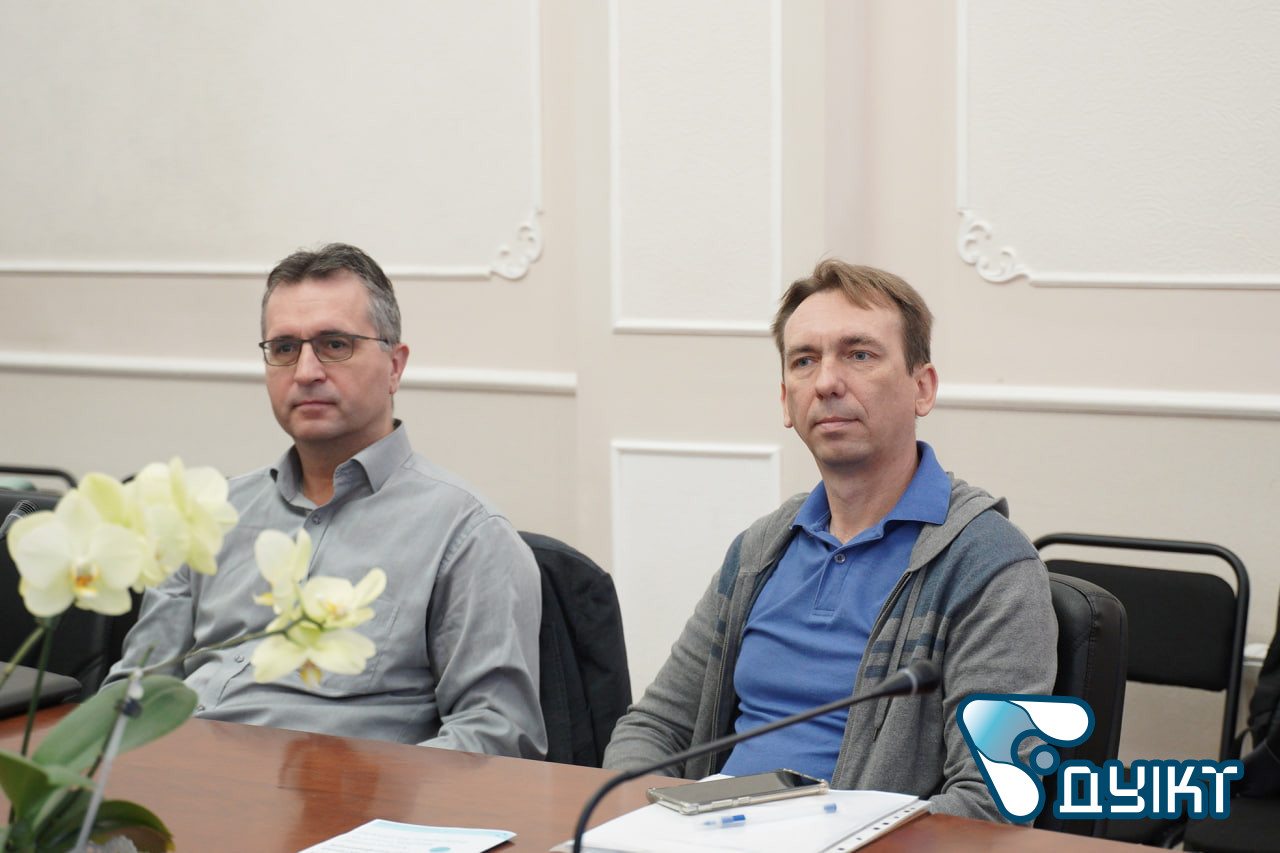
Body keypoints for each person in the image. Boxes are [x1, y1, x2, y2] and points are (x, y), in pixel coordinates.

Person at [603, 260, 1056, 821]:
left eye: (859, 355)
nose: (826, 383)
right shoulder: (761, 551)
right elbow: (655, 726)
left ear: (922, 388)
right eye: (804, 361)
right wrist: (642, 824)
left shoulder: (988, 565)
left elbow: (990, 802)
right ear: (786, 400)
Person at [106, 243, 546, 759]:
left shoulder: (467, 534)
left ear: (394, 366)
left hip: (339, 797)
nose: (306, 371)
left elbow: (496, 738)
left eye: (335, 344)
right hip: (174, 787)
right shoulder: (209, 515)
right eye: (284, 348)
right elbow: (133, 691)